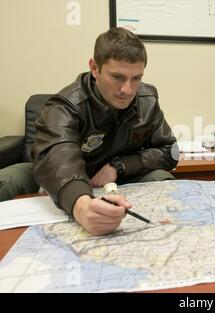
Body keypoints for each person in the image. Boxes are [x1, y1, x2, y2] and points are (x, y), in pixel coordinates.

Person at [30, 27, 178, 235]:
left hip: (120, 180)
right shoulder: (64, 106)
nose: (127, 90)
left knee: (161, 176)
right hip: (77, 185)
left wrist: (119, 166)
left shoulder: (147, 99)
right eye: (117, 77)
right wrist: (82, 207)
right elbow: (58, 158)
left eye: (136, 78)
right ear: (94, 67)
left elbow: (170, 151)